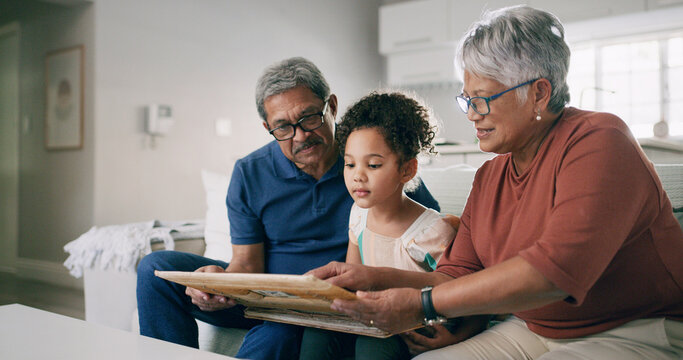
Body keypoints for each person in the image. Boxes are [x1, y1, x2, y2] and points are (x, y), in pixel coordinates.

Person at [309, 5, 683, 359]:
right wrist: (369, 278)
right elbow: (455, 275)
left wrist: (422, 305)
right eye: (466, 99)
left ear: (538, 92)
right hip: (532, 326)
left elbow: (552, 272)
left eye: (483, 100)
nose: (471, 114)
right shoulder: (490, 176)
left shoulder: (600, 140)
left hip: (635, 328)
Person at [136, 57, 440, 360]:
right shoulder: (249, 173)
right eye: (283, 127)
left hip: (329, 303)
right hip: (266, 297)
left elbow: (429, 227)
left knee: (276, 336)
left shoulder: (369, 154)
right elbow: (246, 265)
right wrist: (216, 284)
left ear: (331, 106)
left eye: (309, 118)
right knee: (155, 269)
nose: (301, 135)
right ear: (268, 127)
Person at [298, 92, 462, 360]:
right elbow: (353, 281)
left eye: (373, 165)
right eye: (349, 164)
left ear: (407, 170)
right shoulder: (358, 216)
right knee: (318, 333)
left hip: (413, 325)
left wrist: (458, 335)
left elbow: (462, 292)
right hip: (371, 318)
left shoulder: (432, 232)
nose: (357, 175)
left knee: (371, 346)